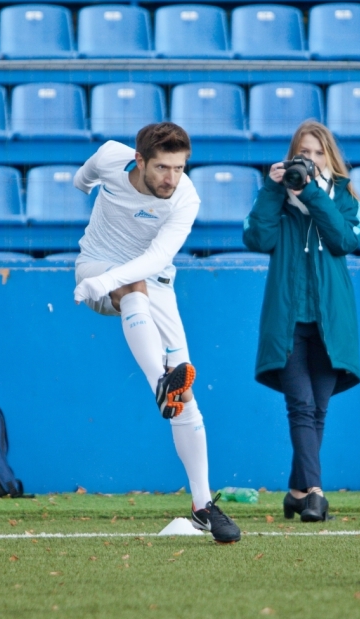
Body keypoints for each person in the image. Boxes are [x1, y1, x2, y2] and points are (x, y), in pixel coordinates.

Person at [71, 122, 241, 544]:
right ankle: (160, 383)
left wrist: (107, 281)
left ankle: (203, 505)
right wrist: (86, 188)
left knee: (186, 398)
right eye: (163, 167)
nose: (171, 178)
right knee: (132, 289)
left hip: (156, 283)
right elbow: (82, 179)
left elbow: (156, 258)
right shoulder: (110, 157)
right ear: (139, 160)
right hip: (96, 268)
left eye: (179, 168)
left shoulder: (186, 198)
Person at [243, 121, 360, 523]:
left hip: (332, 320)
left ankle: (296, 492)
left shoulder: (344, 196)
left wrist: (310, 192)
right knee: (301, 406)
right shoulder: (276, 198)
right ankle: (315, 494)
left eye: (316, 153)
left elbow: (345, 240)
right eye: (302, 153)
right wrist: (272, 188)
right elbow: (257, 238)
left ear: (328, 157)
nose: (310, 160)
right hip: (288, 319)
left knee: (318, 410)